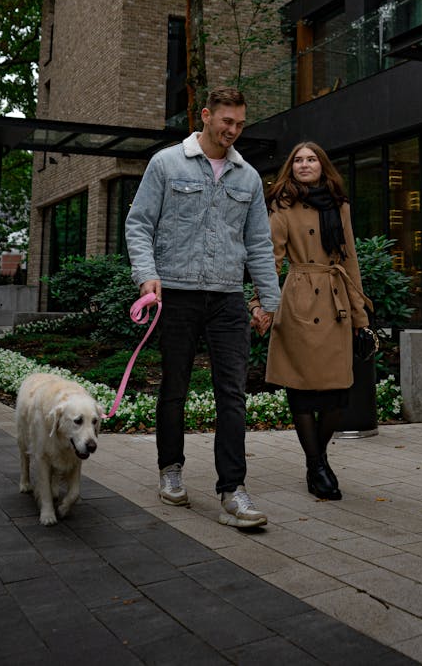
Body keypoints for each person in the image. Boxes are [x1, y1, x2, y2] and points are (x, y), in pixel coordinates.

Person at [124, 87, 280, 529]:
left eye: (240, 124)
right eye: (226, 122)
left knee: (232, 394)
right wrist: (146, 275)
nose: (232, 131)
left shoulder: (247, 177)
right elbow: (139, 224)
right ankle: (170, 468)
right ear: (207, 116)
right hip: (175, 293)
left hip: (229, 297)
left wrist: (269, 300)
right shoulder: (166, 163)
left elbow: (259, 244)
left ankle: (233, 491)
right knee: (173, 387)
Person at [250, 141, 372, 500]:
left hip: (335, 302)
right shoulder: (282, 205)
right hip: (299, 300)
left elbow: (349, 261)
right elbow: (269, 259)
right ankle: (318, 465)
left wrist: (360, 317)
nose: (305, 164)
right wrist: (261, 304)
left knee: (337, 395)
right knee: (301, 392)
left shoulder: (339, 205)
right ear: (291, 166)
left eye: (312, 159)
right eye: (299, 160)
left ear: (323, 165)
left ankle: (316, 459)